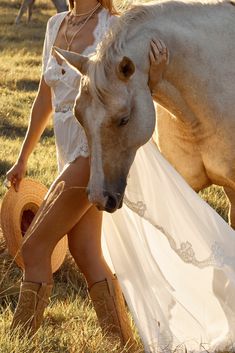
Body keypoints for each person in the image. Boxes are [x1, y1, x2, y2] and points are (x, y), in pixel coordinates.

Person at [6, 0, 144, 350]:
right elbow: (44, 97)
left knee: (35, 246)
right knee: (85, 251)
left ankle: (20, 343)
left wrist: (155, 59)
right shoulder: (55, 25)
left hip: (93, 150)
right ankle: (122, 343)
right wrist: (23, 158)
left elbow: (135, 81)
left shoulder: (113, 25)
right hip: (66, 149)